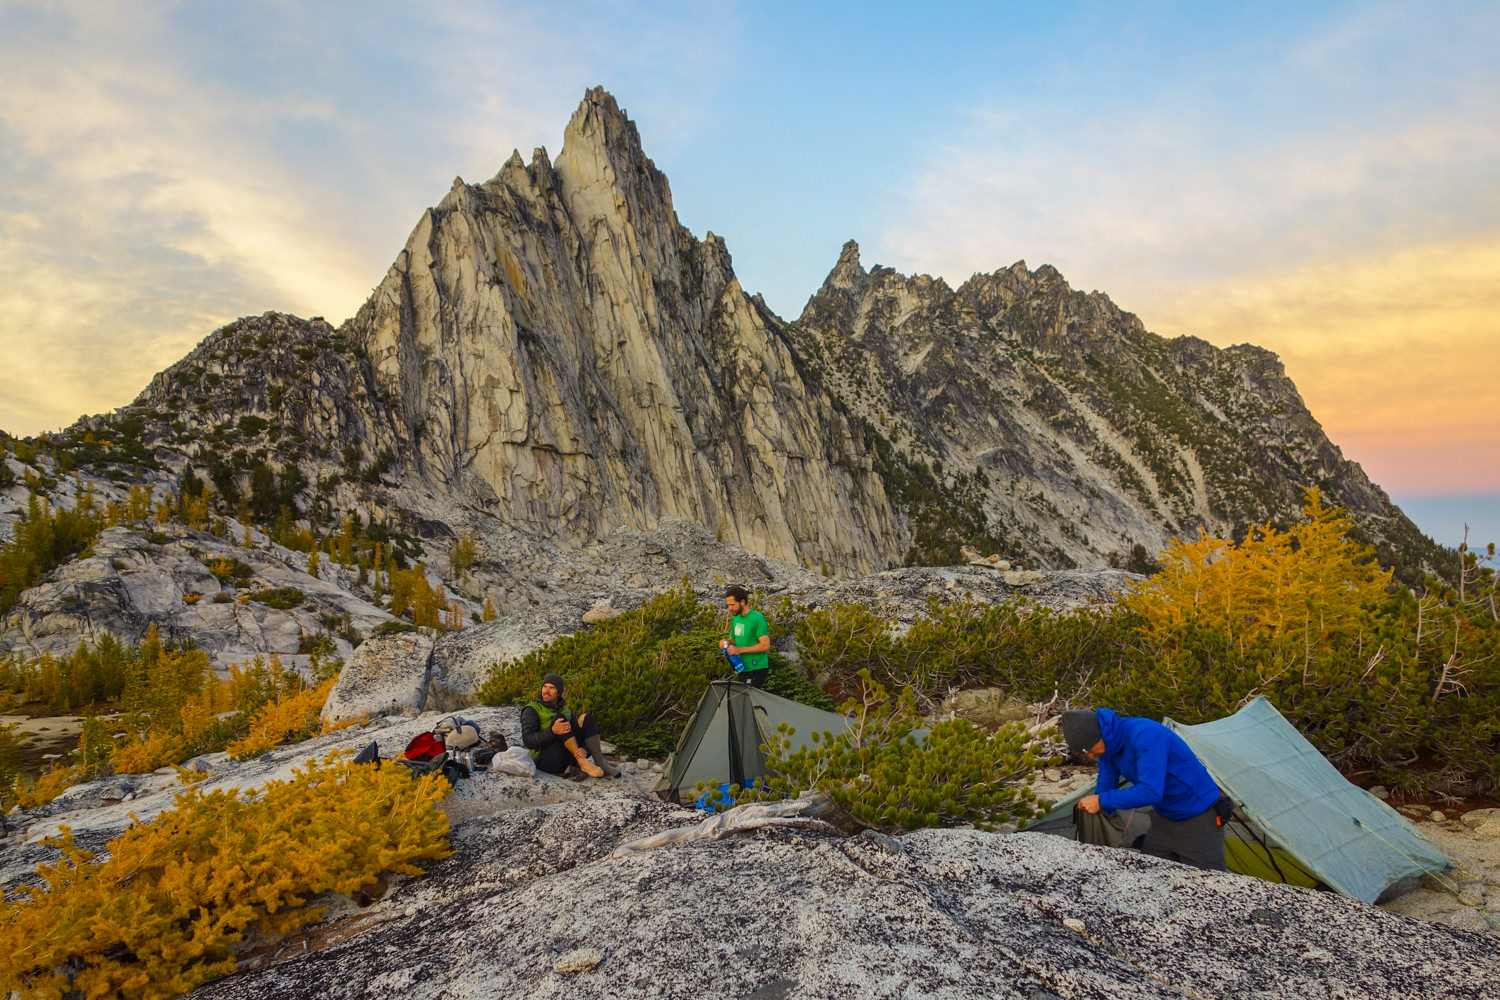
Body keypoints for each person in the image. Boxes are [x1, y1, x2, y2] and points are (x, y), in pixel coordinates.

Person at [1062, 707, 1229, 872]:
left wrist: (1101, 801)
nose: (1091, 756)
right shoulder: (1107, 749)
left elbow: (1151, 791)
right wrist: (1096, 812)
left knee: (1205, 882)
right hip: (1164, 817)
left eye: (1089, 750)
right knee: (1150, 872)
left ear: (1099, 735)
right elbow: (1106, 784)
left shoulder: (1145, 734)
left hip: (1198, 817)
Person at [520, 673, 619, 778]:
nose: (546, 691)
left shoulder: (567, 711)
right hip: (546, 760)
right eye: (545, 687)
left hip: (568, 758)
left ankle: (600, 763)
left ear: (559, 692)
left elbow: (577, 737)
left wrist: (585, 749)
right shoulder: (532, 710)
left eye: (551, 688)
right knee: (559, 719)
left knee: (587, 718)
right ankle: (582, 763)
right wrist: (552, 731)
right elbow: (528, 740)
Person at [721, 585, 771, 687]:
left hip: (757, 667)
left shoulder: (757, 618)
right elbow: (734, 639)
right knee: (743, 700)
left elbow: (765, 646)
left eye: (732, 605)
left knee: (747, 699)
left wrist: (739, 650)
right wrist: (726, 642)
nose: (730, 608)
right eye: (728, 605)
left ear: (742, 602)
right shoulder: (736, 618)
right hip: (742, 666)